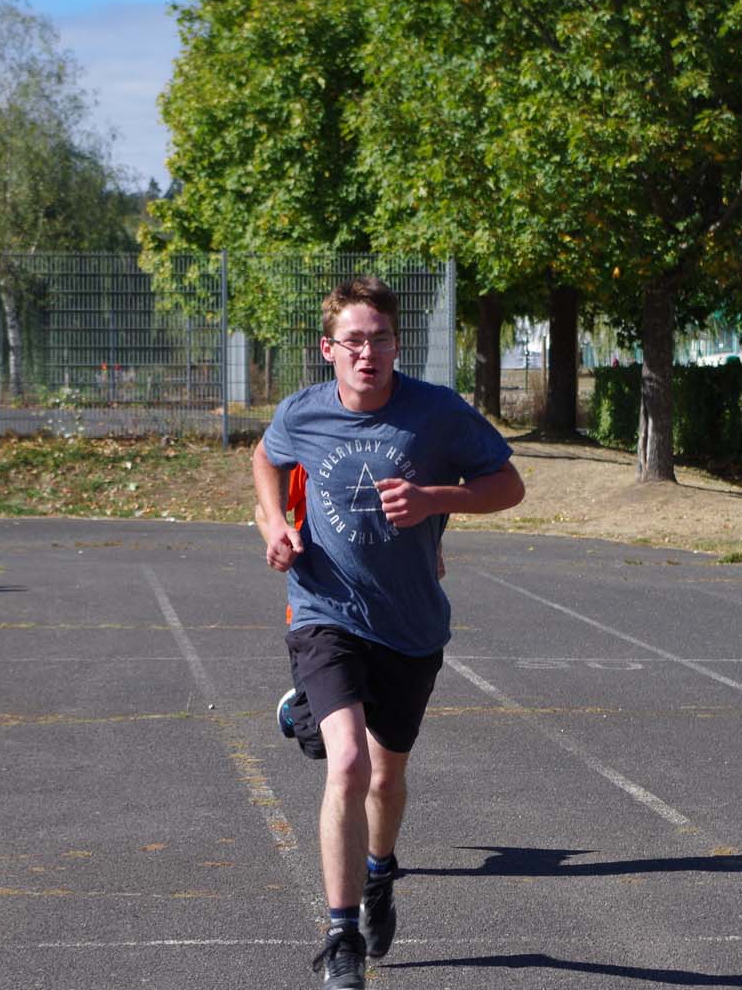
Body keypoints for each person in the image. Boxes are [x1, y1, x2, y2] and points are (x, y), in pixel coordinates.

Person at [253, 277, 524, 989]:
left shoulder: (435, 414)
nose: (366, 352)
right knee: (347, 765)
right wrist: (273, 523)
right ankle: (341, 935)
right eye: (353, 340)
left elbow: (508, 485)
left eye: (378, 339)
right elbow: (266, 458)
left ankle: (379, 873)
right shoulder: (302, 412)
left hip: (408, 624)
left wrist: (435, 498)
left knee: (386, 774)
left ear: (396, 345)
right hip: (324, 609)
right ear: (328, 349)